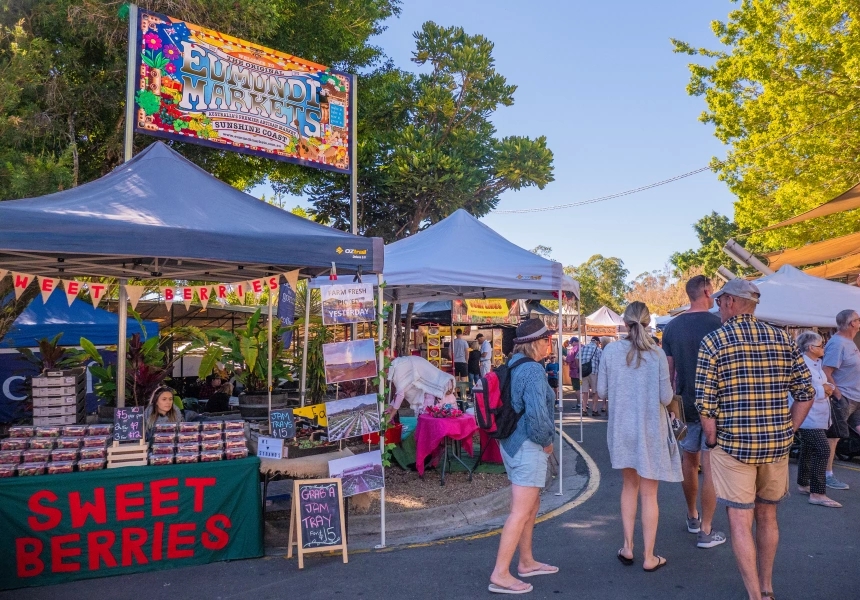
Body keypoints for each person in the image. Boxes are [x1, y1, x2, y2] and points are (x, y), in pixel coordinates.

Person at [696, 278, 814, 600]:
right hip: (776, 446)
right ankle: (767, 587)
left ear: (732, 302)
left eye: (720, 301)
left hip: (733, 446)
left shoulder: (714, 341)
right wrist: (788, 429)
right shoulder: (782, 339)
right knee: (768, 515)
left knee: (739, 518)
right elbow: (806, 392)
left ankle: (754, 596)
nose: (718, 306)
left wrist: (710, 441)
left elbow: (705, 404)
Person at [598, 301, 681, 572]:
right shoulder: (656, 354)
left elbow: (601, 392)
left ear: (624, 323)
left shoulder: (610, 351)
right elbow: (666, 397)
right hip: (651, 429)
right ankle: (649, 555)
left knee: (628, 487)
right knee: (649, 494)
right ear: (647, 323)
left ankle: (628, 547)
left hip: (622, 428)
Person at [489, 319, 558, 594]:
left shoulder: (514, 365)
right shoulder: (532, 371)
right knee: (519, 512)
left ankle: (526, 561)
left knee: (529, 507)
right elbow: (538, 417)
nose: (549, 345)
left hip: (511, 443)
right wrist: (548, 442)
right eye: (546, 340)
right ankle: (501, 573)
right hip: (528, 446)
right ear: (534, 344)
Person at [661, 274, 726, 549]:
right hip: (717, 406)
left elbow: (669, 373)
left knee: (689, 463)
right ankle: (707, 530)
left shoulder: (672, 328)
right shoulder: (720, 323)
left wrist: (668, 407)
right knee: (711, 468)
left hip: (685, 405)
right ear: (708, 291)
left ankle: (692, 516)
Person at [794, 331, 841, 508]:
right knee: (822, 450)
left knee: (808, 448)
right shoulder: (804, 366)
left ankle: (803, 483)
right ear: (811, 348)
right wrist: (825, 389)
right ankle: (817, 492)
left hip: (815, 416)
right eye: (821, 345)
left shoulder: (815, 364)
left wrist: (826, 387)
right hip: (808, 416)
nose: (824, 347)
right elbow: (807, 390)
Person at [821, 308, 860, 491]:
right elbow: (826, 372)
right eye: (858, 320)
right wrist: (838, 396)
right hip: (844, 397)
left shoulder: (849, 342)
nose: (859, 323)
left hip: (855, 397)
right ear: (852, 323)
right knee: (833, 437)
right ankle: (827, 475)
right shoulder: (837, 344)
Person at [580, 337, 603, 416]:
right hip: (594, 372)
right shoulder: (598, 350)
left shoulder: (583, 348)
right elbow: (602, 362)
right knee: (594, 391)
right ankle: (594, 410)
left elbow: (576, 358)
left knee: (584, 391)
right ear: (597, 342)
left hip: (583, 372)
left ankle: (584, 409)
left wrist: (580, 369)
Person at [565, 337, 581, 408]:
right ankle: (585, 404)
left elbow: (568, 360)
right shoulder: (584, 347)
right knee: (583, 387)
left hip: (575, 373)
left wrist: (563, 358)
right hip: (584, 372)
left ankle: (579, 404)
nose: (571, 345)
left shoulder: (573, 349)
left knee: (577, 388)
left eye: (571, 343)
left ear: (574, 342)